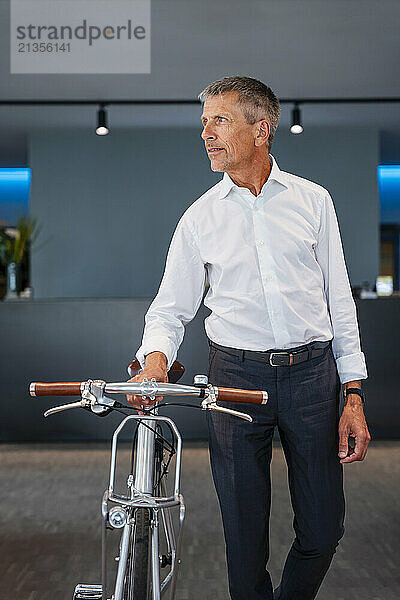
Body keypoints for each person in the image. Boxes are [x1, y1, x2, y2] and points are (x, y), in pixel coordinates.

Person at [127, 76, 371, 600]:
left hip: (313, 377)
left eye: (220, 120)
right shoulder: (199, 218)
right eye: (203, 123)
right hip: (235, 380)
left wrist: (353, 395)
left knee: (324, 530)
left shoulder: (314, 202)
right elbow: (170, 310)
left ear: (261, 128)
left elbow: (340, 306)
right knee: (243, 540)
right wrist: (153, 363)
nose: (207, 134)